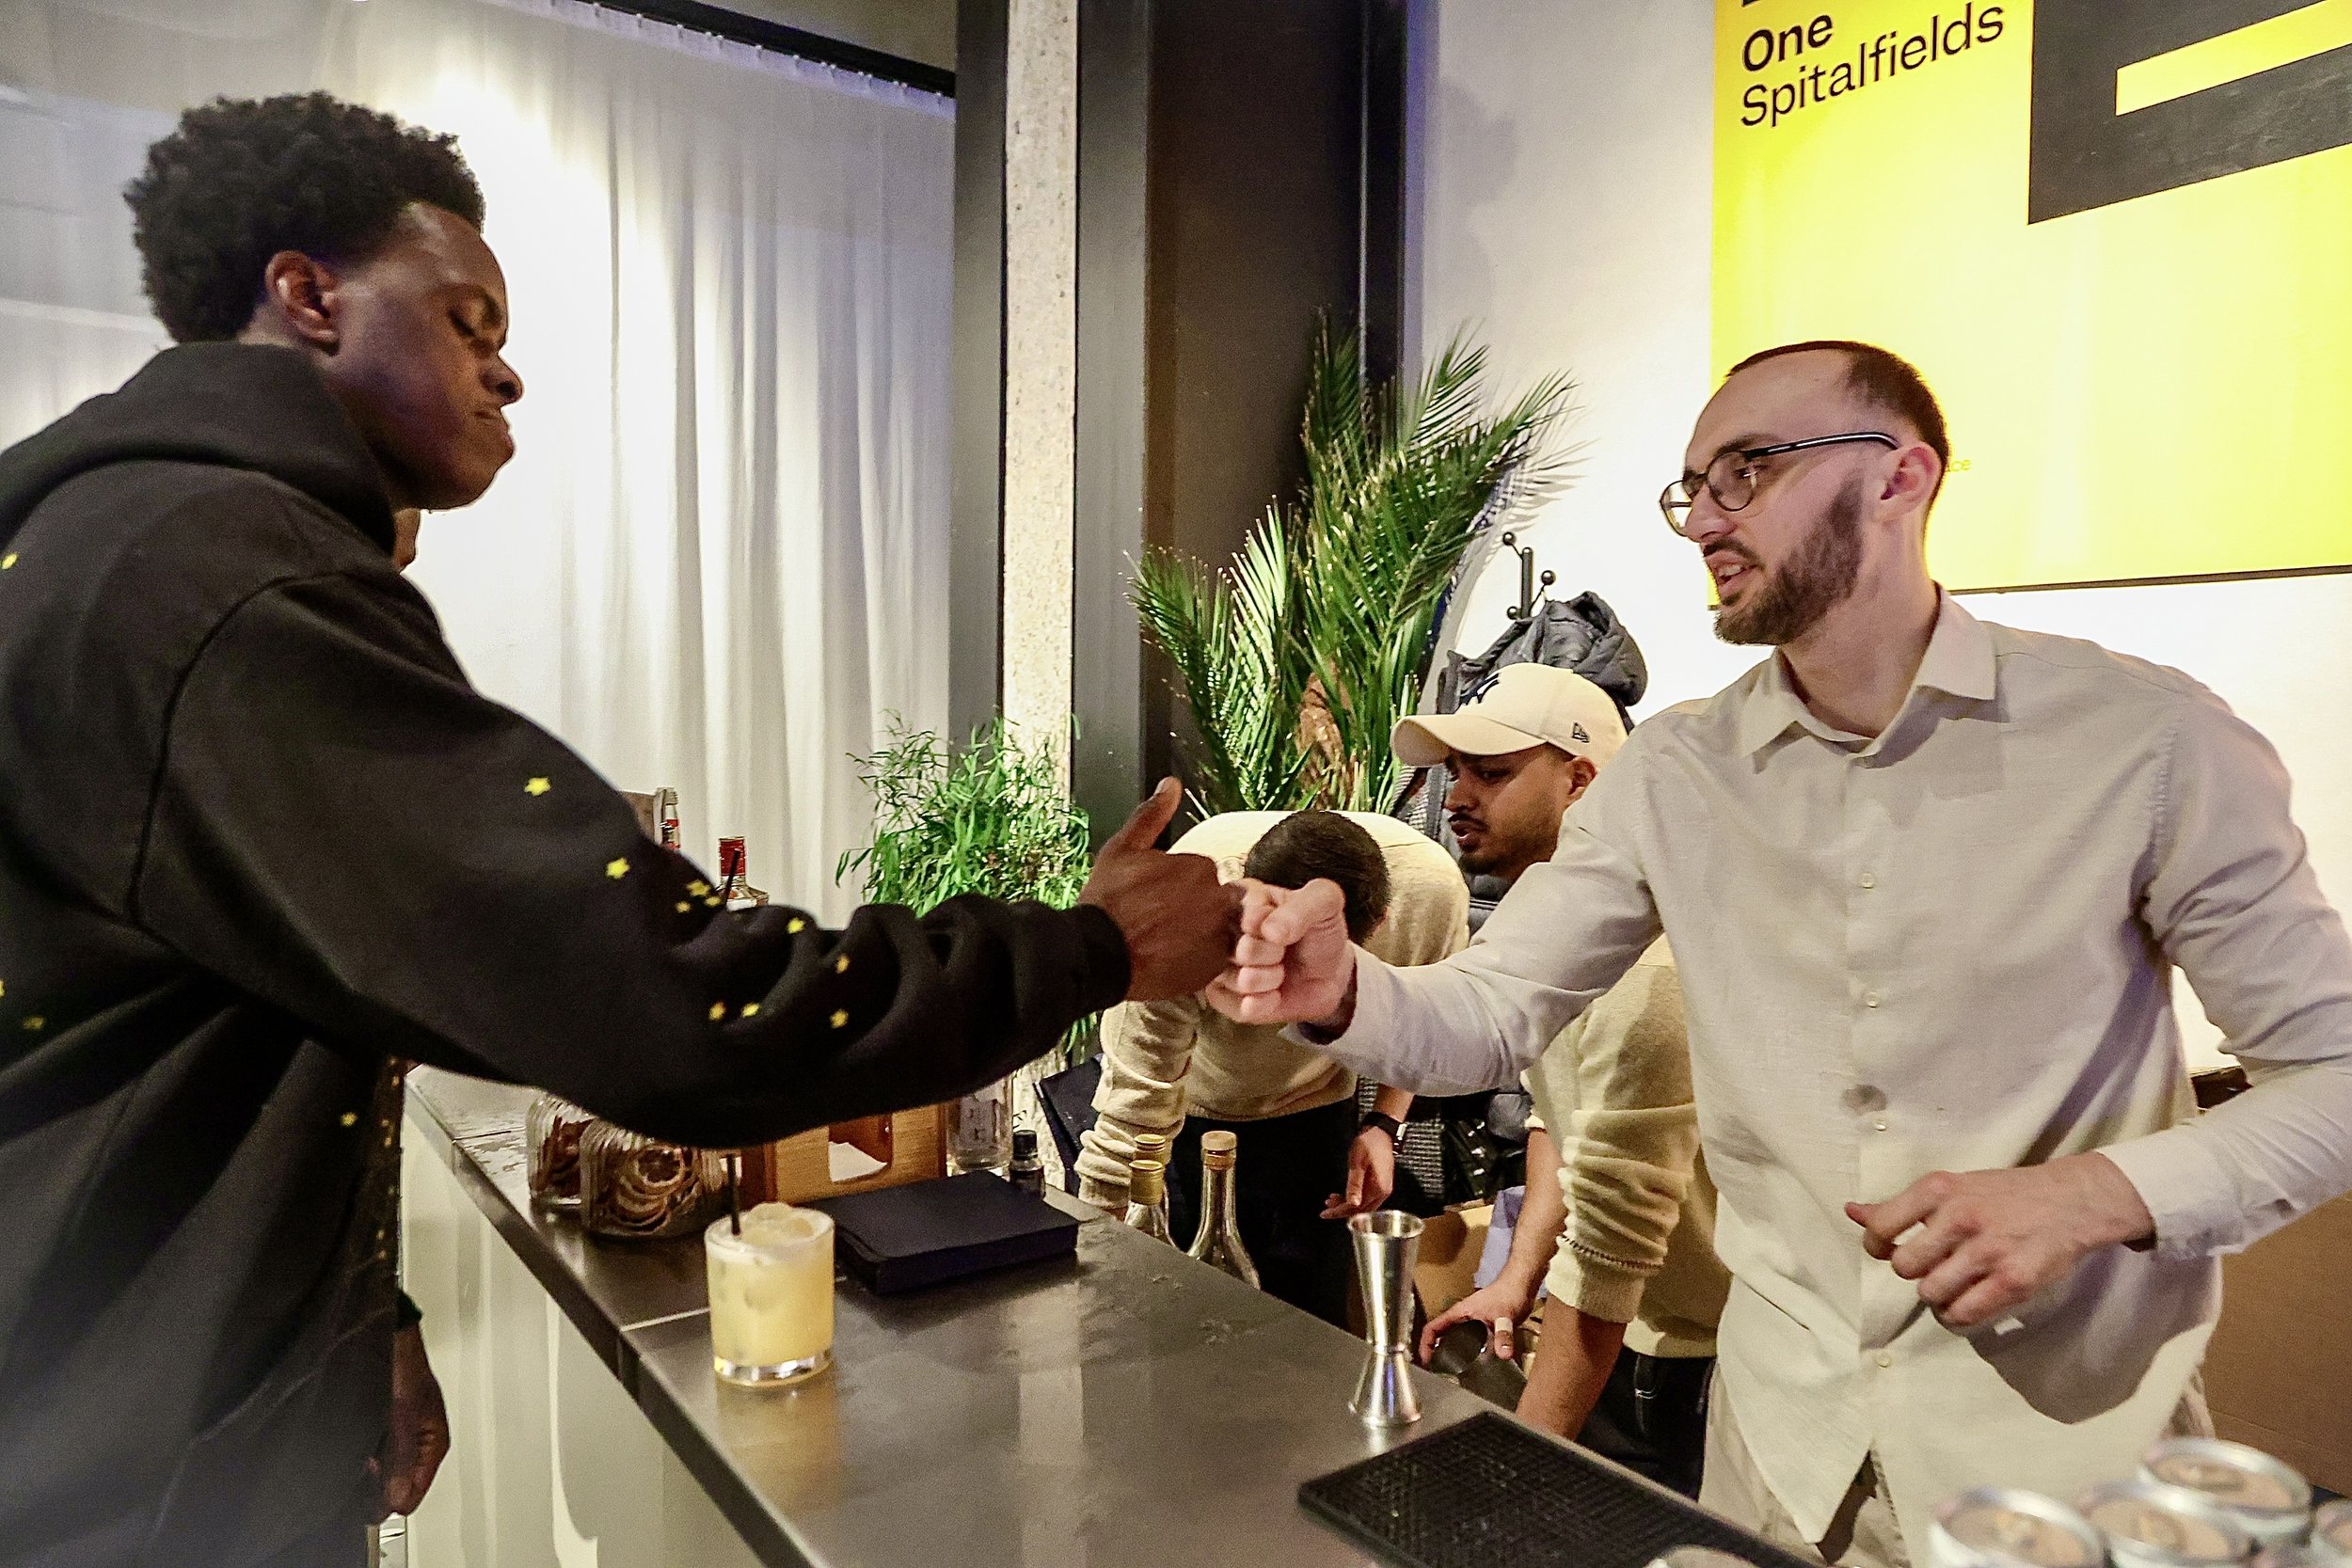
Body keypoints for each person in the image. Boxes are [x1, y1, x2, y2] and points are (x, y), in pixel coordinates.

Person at [0, 93, 1237, 1565]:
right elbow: (674, 996)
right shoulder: (223, 588)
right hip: (124, 1486)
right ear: (307, 295)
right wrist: (1094, 943)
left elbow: (233, 1006)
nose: (504, 369)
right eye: (467, 317)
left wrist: (356, 1314)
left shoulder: (119, 542)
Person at [1213, 341, 2352, 1568]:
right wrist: (1341, 989)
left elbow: (2334, 1073)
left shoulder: (2150, 741)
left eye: (1748, 469)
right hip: (1779, 1471)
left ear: (1901, 478)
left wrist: (2104, 1193)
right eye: (1692, 485)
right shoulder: (1675, 775)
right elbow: (1492, 1012)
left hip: (2069, 1472)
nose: (1704, 514)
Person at [1398, 665, 1728, 1497]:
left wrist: (1518, 1466)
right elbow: (1557, 1121)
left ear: (1581, 781)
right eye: (1456, 772)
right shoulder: (1533, 931)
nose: (1457, 796)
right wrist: (1515, 1278)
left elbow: (1613, 1243)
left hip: (1702, 1355)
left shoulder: (1650, 966)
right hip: (1623, 1330)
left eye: (1493, 772)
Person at [1075, 810, 1466, 1325]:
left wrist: (1383, 1124)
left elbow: (1424, 1026)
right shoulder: (1188, 916)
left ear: (1385, 920)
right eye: (1278, 960)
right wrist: (1088, 1257)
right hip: (1192, 1109)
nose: (1291, 991)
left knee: (1310, 1327)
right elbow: (1133, 1109)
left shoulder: (1431, 896)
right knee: (1186, 1319)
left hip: (1318, 1110)